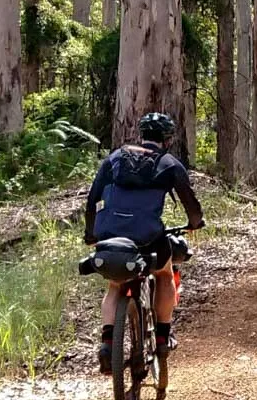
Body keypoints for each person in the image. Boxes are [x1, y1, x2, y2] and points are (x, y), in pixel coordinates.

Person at [84, 111, 205, 374]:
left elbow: (92, 199)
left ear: (141, 135)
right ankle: (162, 336)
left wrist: (91, 235)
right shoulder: (169, 163)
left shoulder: (115, 158)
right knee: (164, 274)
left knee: (115, 285)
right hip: (147, 237)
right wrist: (195, 223)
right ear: (168, 139)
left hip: (111, 235)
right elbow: (190, 202)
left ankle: (107, 342)